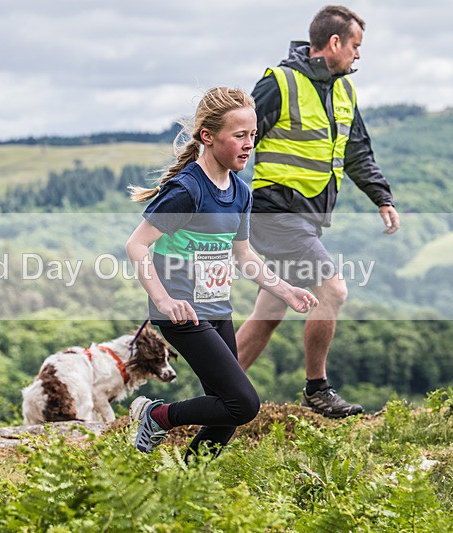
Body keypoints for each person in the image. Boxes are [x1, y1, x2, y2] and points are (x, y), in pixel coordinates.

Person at [125, 87, 318, 456]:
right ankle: (157, 415)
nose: (249, 145)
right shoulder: (187, 190)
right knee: (244, 403)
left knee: (227, 413)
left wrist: (285, 290)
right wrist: (163, 300)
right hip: (183, 313)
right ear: (208, 137)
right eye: (240, 135)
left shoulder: (241, 192)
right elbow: (136, 244)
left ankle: (187, 483)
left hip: (217, 310)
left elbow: (244, 254)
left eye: (253, 136)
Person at [235, 5, 400, 418]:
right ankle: (317, 389)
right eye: (356, 46)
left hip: (306, 218)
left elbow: (356, 150)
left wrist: (382, 196)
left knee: (269, 311)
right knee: (332, 290)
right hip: (276, 213)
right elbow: (235, 134)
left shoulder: (344, 90)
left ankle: (218, 390)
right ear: (334, 43)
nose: (358, 55)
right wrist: (208, 194)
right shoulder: (280, 83)